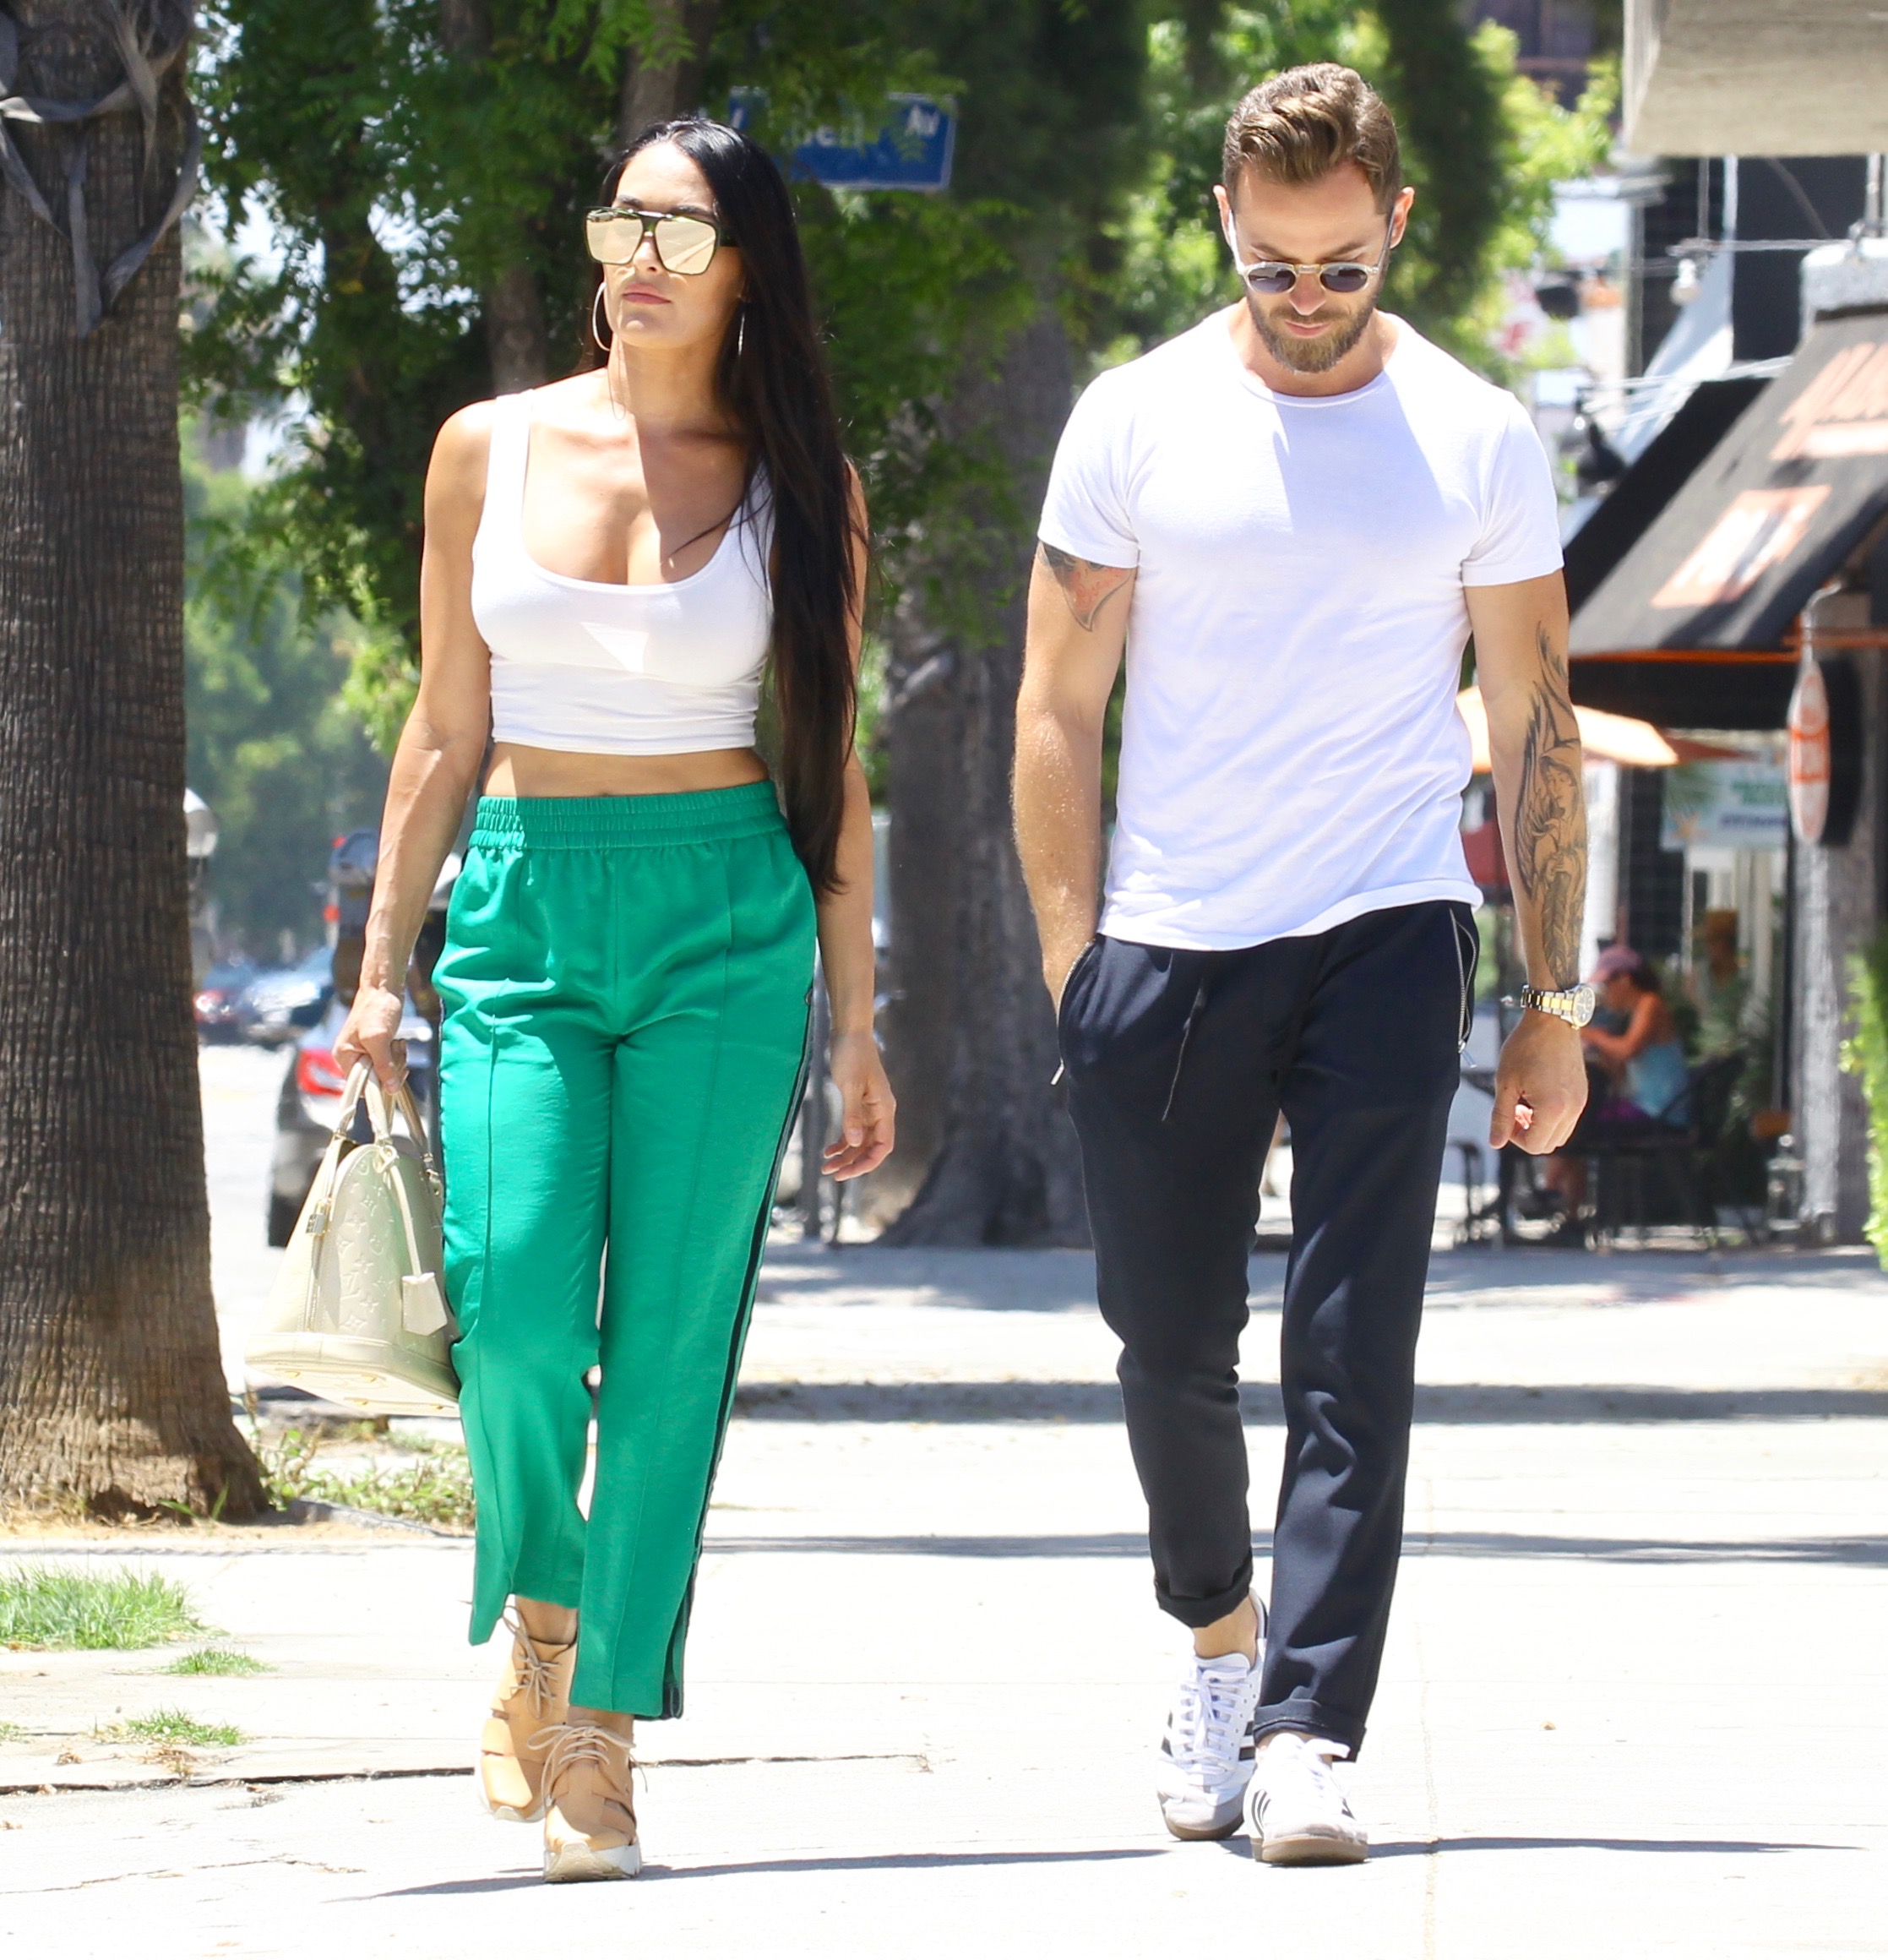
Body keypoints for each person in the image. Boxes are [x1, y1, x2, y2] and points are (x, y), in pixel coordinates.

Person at [1013, 64, 1589, 1866]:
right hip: (1170, 937)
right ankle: (1217, 1645)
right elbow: (1056, 704)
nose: (1308, 301)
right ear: (1225, 225)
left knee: (1355, 1349)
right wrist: (1073, 966)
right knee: (1166, 1343)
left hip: (1388, 930)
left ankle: (1309, 1728)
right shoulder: (1133, 420)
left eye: (1341, 267)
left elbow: (1537, 724)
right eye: (1273, 268)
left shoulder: (1476, 436)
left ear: (1395, 223)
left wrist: (1553, 1003)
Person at [334, 117, 894, 1884]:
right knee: (506, 1306)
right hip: (520, 906)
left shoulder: (802, 484)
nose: (641, 257)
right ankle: (545, 1608)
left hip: (727, 918)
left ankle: (600, 1729)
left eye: (683, 230)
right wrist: (378, 966)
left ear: (747, 274)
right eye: (622, 221)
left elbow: (832, 763)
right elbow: (445, 721)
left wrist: (859, 1021)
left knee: (667, 1340)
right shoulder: (485, 450)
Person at [1543, 945, 1689, 1235]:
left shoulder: (1650, 1004)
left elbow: (1628, 1050)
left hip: (1658, 1113)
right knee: (1575, 1125)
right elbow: (1621, 1065)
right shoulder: (1635, 1011)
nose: (1606, 994)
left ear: (1625, 979)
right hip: (1645, 1108)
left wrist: (1589, 1033)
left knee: (1576, 1127)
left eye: (1608, 985)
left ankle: (1554, 1193)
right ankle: (1565, 1205)